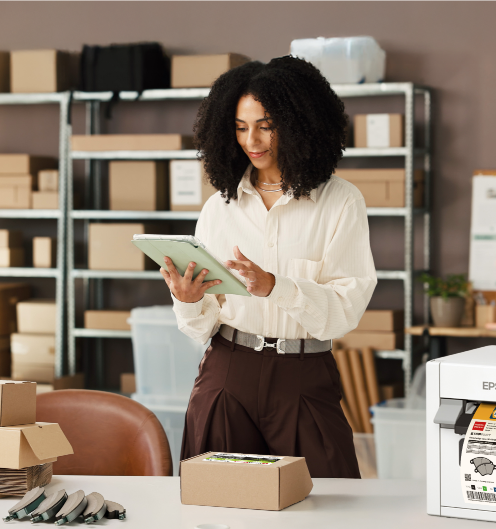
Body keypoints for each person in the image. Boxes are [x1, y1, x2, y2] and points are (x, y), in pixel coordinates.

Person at [160, 56, 376, 478]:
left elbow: (344, 312)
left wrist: (275, 286)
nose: (252, 140)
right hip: (227, 369)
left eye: (266, 125)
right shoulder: (218, 207)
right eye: (240, 127)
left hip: (303, 374)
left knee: (329, 505)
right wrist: (187, 302)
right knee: (218, 505)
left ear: (300, 123)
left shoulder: (340, 201)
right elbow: (201, 326)